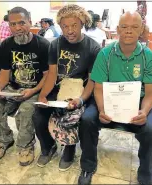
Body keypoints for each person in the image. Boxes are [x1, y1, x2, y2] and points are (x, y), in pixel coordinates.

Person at [78, 11, 152, 185]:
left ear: (142, 30)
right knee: (87, 119)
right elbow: (98, 88)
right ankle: (87, 166)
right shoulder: (105, 54)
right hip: (107, 101)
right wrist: (101, 109)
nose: (128, 31)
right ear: (117, 30)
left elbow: (151, 92)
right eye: (124, 27)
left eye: (134, 27)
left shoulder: (149, 57)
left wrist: (144, 111)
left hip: (138, 102)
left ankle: (146, 177)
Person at [33, 4, 101, 172]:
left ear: (82, 24)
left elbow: (92, 81)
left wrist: (81, 99)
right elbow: (52, 74)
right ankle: (48, 147)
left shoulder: (93, 47)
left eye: (74, 25)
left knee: (69, 116)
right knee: (39, 116)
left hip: (80, 90)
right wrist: (43, 95)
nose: (70, 30)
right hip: (60, 88)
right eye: (65, 26)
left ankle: (69, 148)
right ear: (60, 27)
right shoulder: (55, 45)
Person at [0, 6, 50, 166]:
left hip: (35, 88)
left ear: (29, 21)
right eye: (12, 24)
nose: (17, 28)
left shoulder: (42, 45)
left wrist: (33, 91)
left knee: (26, 111)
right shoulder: (6, 44)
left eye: (21, 23)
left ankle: (25, 146)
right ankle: (3, 140)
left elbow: (48, 76)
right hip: (13, 89)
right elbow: (5, 72)